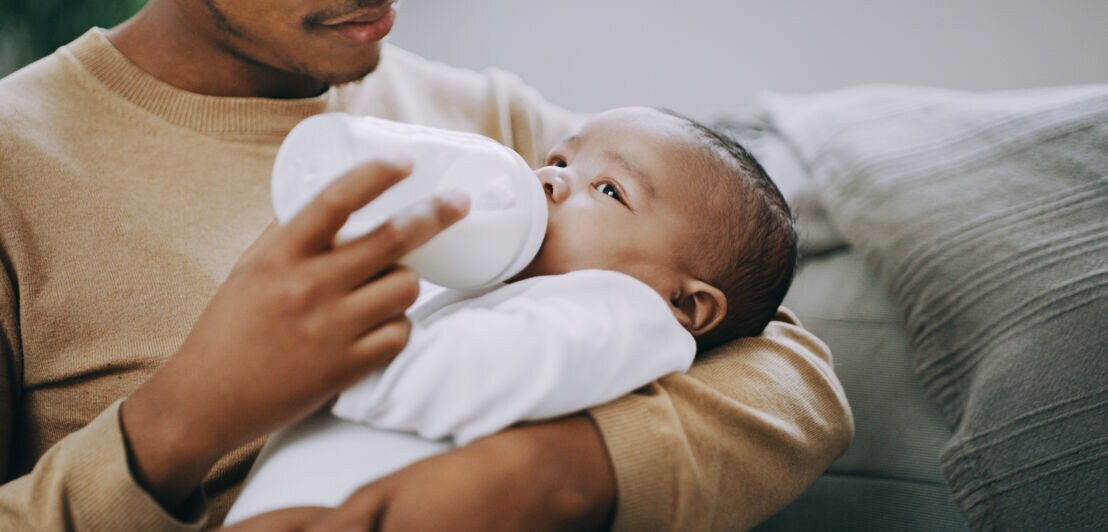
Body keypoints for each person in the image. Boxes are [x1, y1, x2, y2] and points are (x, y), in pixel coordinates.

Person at [0, 0, 853, 530]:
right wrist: (183, 420)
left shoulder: (486, 116)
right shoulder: (17, 166)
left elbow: (783, 360)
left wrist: (560, 474)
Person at [225, 105, 801, 523]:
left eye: (607, 190)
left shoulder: (624, 312)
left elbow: (470, 372)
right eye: (559, 158)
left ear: (686, 304)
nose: (550, 179)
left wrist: (316, 362)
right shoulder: (491, 278)